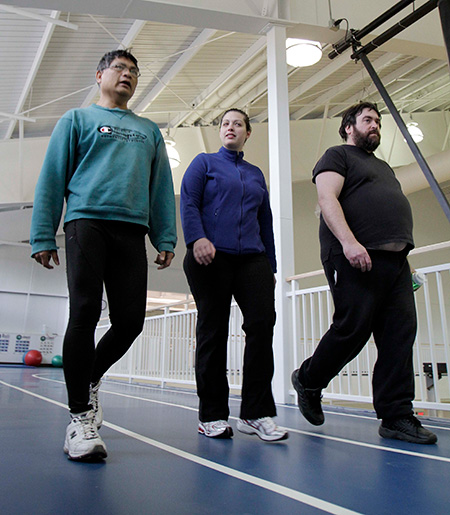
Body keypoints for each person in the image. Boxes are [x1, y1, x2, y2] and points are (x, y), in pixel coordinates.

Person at [30, 49, 177, 460]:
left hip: (131, 229)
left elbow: (161, 186)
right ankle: (79, 419)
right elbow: (52, 176)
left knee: (130, 321)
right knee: (85, 313)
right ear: (99, 76)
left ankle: (89, 377)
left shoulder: (148, 130)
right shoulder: (76, 120)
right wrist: (43, 233)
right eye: (119, 68)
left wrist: (165, 236)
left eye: (133, 71)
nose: (127, 75)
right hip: (86, 223)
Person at [291, 102, 437, 445]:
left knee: (400, 334)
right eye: (368, 120)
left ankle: (396, 415)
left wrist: (404, 258)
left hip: (396, 262)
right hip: (353, 254)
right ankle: (309, 380)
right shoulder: (336, 155)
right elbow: (328, 199)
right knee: (352, 329)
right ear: (348, 127)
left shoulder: (385, 167)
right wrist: (349, 243)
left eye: (378, 121)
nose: (375, 125)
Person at [181, 108, 288, 442]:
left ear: (247, 133)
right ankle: (211, 415)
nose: (231, 128)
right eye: (226, 123)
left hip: (252, 259)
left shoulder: (256, 174)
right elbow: (188, 202)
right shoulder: (204, 163)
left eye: (237, 124)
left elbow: (265, 222)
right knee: (213, 330)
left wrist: (270, 266)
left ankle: (256, 413)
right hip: (211, 254)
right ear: (220, 131)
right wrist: (196, 238)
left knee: (261, 326)